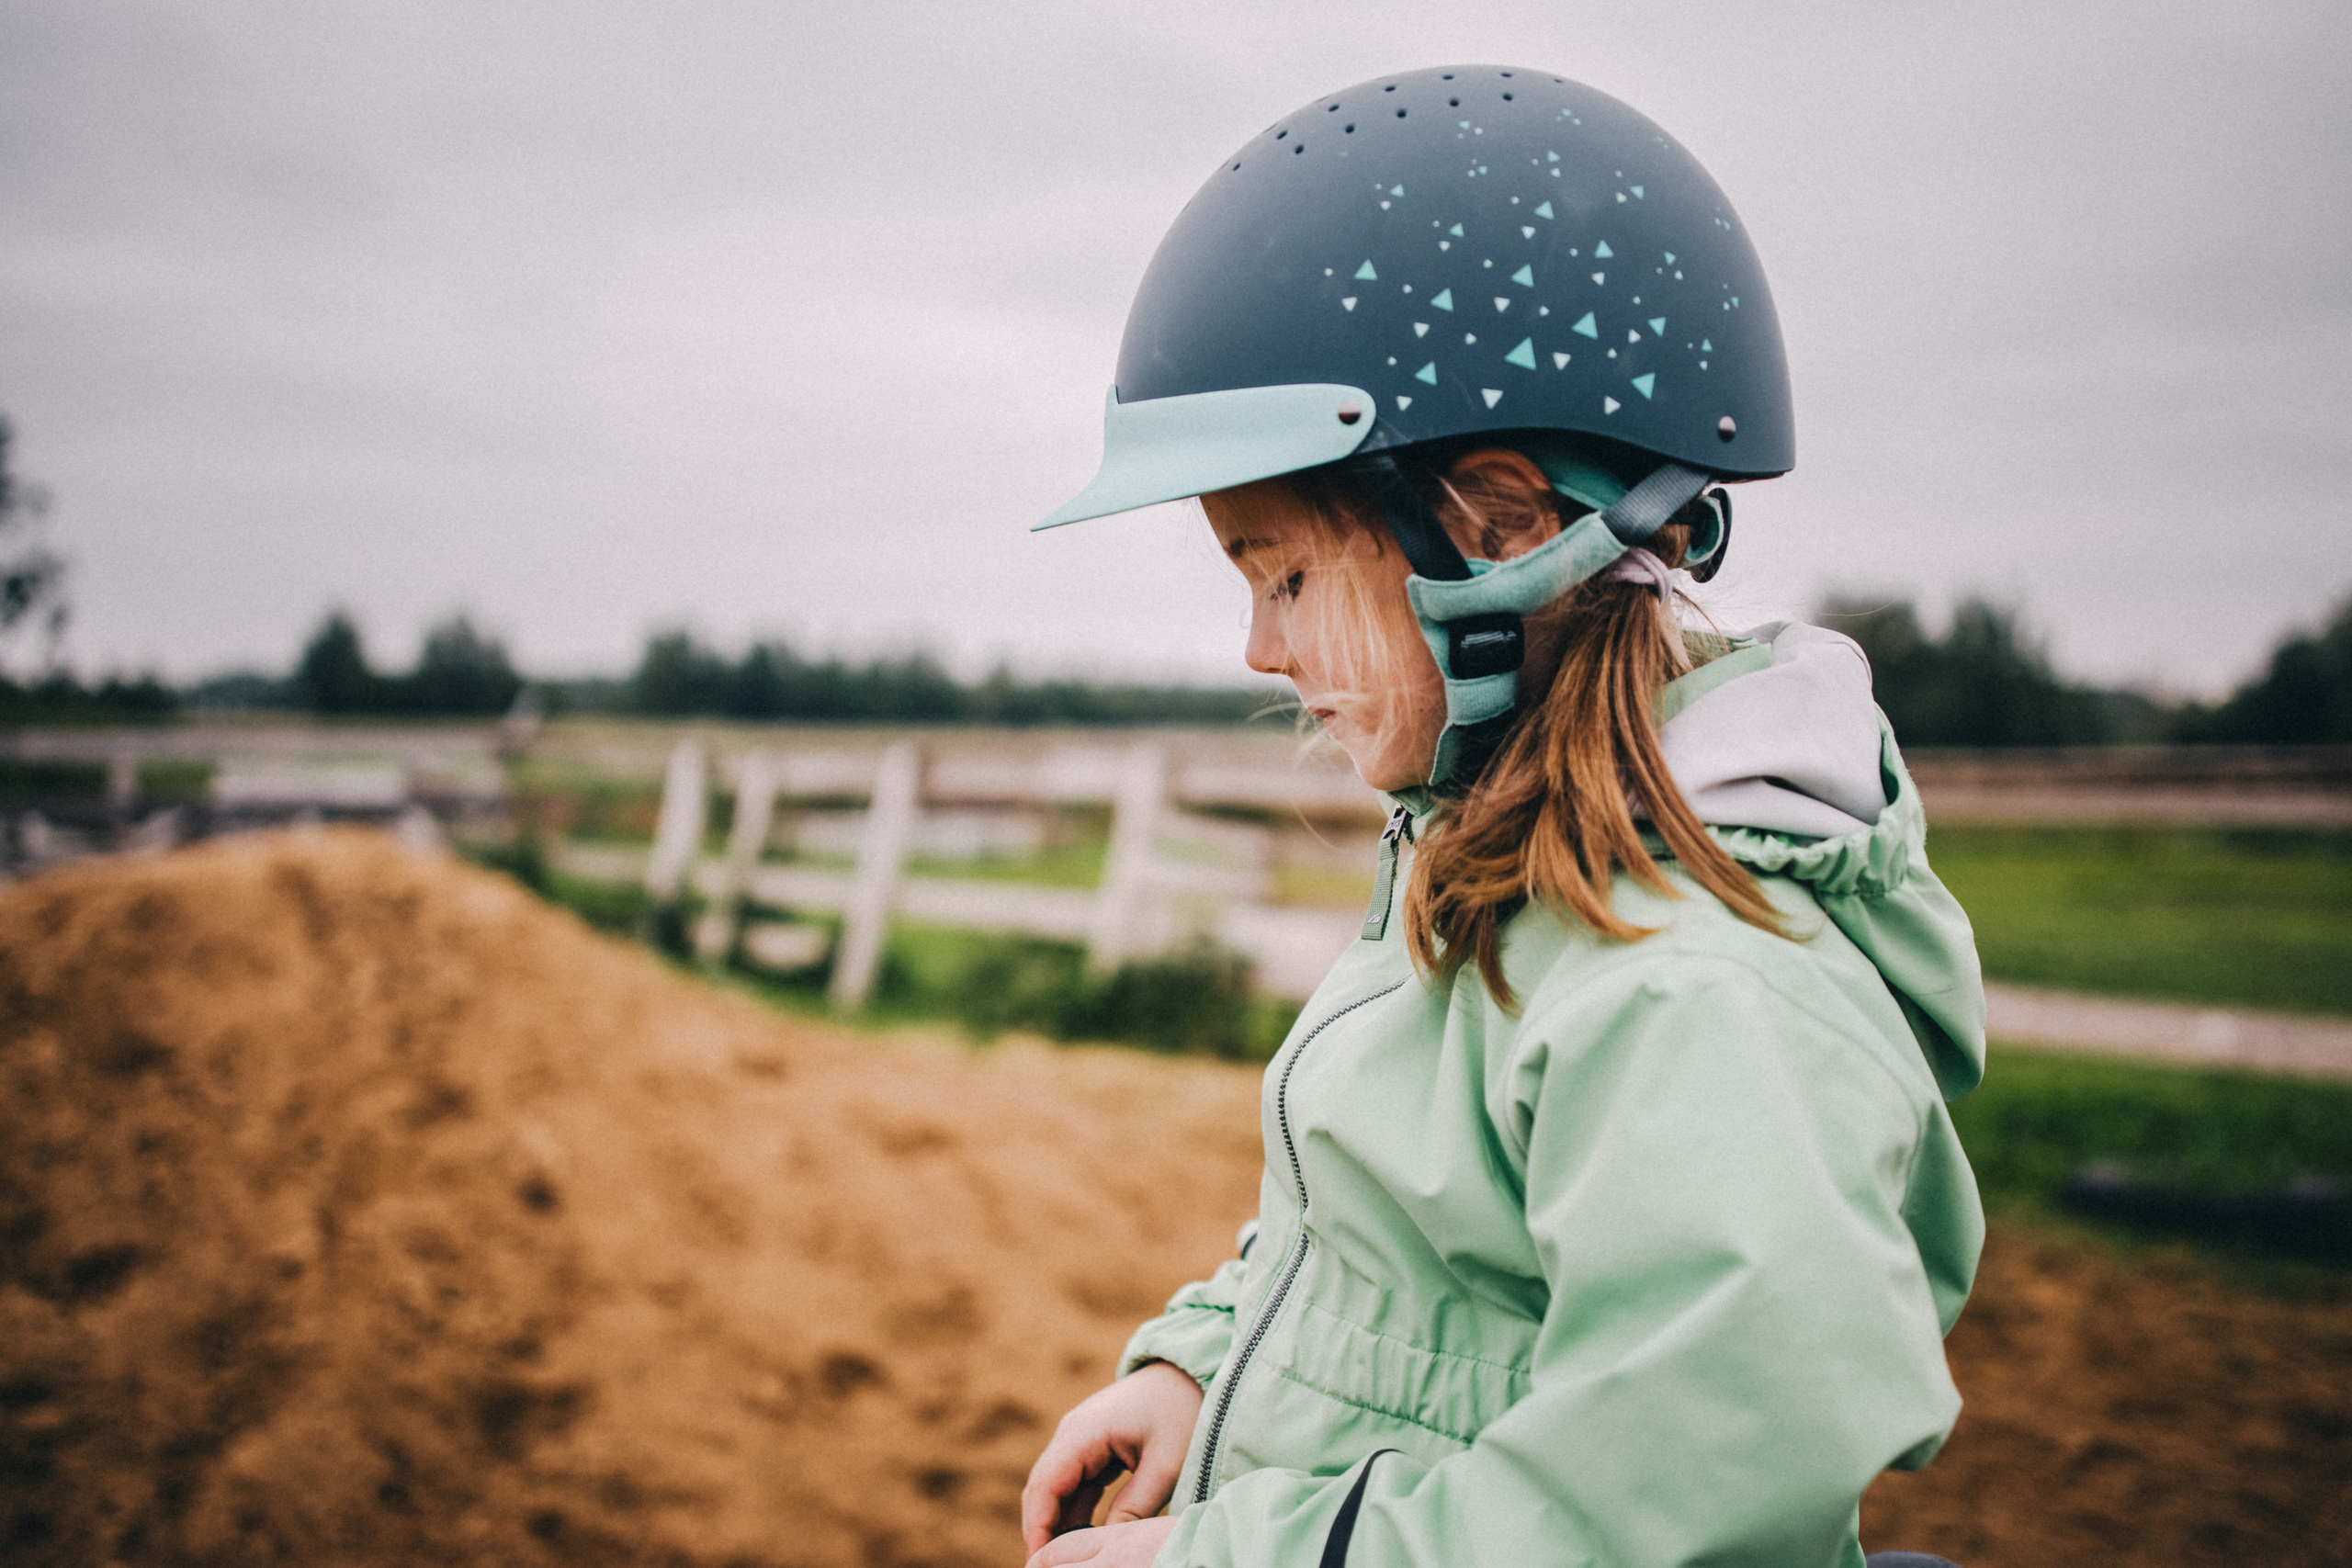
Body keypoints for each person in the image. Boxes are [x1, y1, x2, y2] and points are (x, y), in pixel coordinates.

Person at [1020, 65, 1984, 1568]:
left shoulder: (1694, 983)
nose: (1259, 654)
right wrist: (1196, 1365)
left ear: (1501, 530)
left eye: (1283, 577)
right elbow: (1411, 1259)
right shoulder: (1498, 857)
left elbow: (1680, 1504)